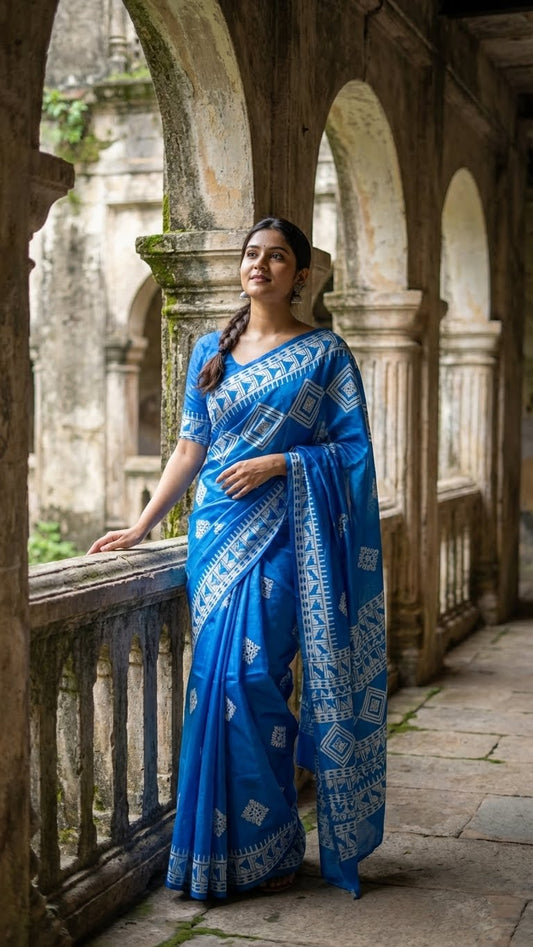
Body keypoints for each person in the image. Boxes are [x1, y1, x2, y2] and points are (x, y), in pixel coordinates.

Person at [88, 217, 387, 899]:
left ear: (300, 275)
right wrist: (140, 526)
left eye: (277, 256)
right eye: (251, 254)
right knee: (213, 692)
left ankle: (270, 840)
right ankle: (223, 852)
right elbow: (189, 449)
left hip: (285, 538)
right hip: (216, 538)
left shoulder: (324, 355)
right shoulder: (207, 351)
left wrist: (281, 462)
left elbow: (354, 455)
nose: (260, 265)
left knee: (253, 684)